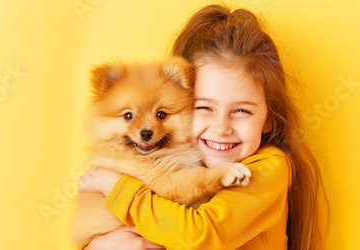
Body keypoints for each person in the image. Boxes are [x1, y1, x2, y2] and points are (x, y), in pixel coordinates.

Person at [77, 4, 328, 250]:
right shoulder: (179, 159)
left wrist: (113, 184)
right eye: (204, 108)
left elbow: (200, 235)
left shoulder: (268, 168)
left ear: (269, 117)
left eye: (241, 111)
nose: (221, 128)